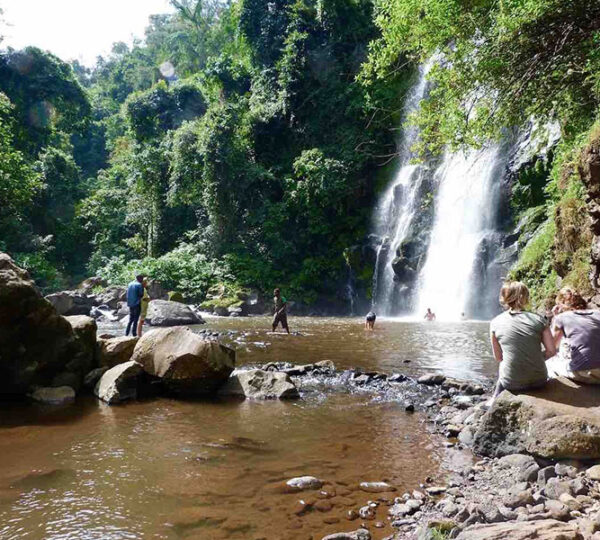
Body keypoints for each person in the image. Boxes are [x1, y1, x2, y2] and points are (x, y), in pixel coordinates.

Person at [489, 281, 555, 398]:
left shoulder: (495, 322)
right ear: (525, 298)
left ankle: (494, 399)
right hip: (539, 381)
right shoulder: (539, 320)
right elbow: (551, 351)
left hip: (512, 383)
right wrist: (536, 358)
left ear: (504, 298)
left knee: (504, 362)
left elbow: (498, 357)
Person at [547, 287, 600, 384]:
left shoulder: (562, 318)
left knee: (549, 363)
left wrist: (555, 318)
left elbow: (552, 347)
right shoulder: (598, 313)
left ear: (561, 304)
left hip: (586, 372)